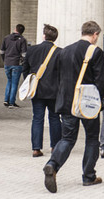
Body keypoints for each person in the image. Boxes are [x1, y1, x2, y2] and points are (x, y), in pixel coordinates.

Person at [43, 21, 104, 193]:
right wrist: (100, 101)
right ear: (94, 34)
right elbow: (101, 80)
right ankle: (88, 176)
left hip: (67, 102)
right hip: (87, 103)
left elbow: (58, 77)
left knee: (67, 139)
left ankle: (52, 164)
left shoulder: (64, 51)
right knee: (92, 138)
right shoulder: (95, 51)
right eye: (97, 36)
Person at [22, 24, 62, 158]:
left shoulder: (32, 50)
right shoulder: (60, 52)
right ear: (55, 38)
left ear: (44, 36)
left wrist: (31, 83)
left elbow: (25, 70)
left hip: (37, 90)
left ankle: (36, 148)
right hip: (54, 91)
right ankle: (55, 146)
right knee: (55, 118)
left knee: (37, 118)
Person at [1, 24, 28, 109]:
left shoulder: (6, 38)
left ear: (15, 29)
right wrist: (23, 62)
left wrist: (4, 60)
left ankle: (6, 100)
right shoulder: (22, 40)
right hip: (16, 64)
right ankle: (12, 103)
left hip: (7, 63)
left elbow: (2, 51)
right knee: (14, 83)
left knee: (9, 81)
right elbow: (24, 54)